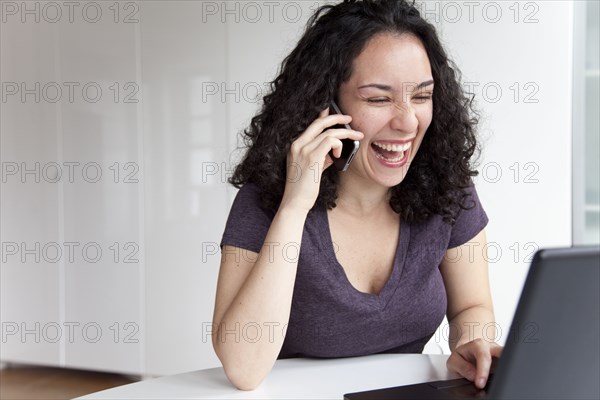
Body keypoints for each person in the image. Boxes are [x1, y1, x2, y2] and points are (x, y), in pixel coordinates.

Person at [212, 0, 502, 391]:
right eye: (378, 99)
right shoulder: (266, 198)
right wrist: (295, 204)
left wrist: (473, 341)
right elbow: (243, 369)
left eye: (421, 96)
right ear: (326, 104)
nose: (407, 121)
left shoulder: (446, 185)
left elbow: (472, 307)